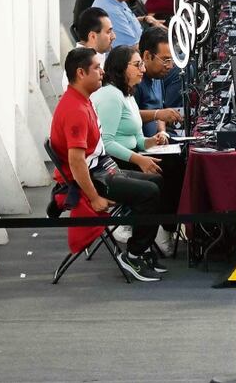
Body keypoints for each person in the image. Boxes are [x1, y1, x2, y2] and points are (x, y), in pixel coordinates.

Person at [52, 48, 165, 282]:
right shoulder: (75, 109)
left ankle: (141, 249)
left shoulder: (83, 100)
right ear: (81, 73)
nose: (101, 72)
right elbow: (76, 162)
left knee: (157, 180)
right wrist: (94, 198)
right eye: (96, 68)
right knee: (150, 192)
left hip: (103, 169)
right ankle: (133, 254)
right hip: (93, 177)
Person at [92, 45, 183, 257]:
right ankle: (160, 229)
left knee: (177, 162)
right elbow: (107, 142)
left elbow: (134, 138)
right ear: (121, 68)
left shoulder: (128, 95)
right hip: (113, 162)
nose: (142, 69)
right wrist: (140, 160)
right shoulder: (110, 96)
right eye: (137, 65)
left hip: (129, 154)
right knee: (170, 169)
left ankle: (163, 226)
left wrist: (151, 142)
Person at [134, 27, 183, 138]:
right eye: (165, 60)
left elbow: (160, 111)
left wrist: (162, 132)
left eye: (171, 60)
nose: (170, 66)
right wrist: (158, 114)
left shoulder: (158, 76)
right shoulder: (135, 81)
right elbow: (129, 116)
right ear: (147, 56)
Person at [62, 7, 116, 92]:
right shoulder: (79, 69)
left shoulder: (99, 55)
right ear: (92, 36)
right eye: (108, 32)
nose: (113, 37)